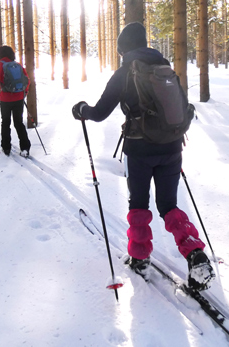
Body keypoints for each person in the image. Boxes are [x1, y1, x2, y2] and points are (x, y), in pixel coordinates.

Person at [70, 22, 215, 291]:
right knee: (169, 206)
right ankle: (196, 255)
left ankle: (139, 258)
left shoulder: (125, 71)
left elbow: (100, 112)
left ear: (123, 48)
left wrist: (81, 109)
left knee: (139, 204)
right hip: (172, 147)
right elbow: (183, 108)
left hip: (139, 150)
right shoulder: (164, 68)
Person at [0, 45, 31, 158]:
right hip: (19, 97)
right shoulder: (18, 65)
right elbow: (27, 80)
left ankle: (6, 147)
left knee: (5, 122)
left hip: (5, 99)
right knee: (18, 123)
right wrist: (25, 92)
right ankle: (25, 147)